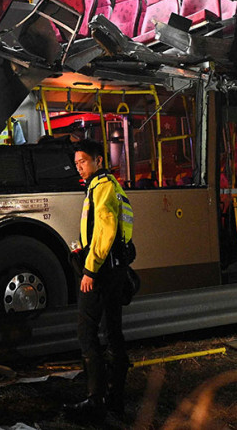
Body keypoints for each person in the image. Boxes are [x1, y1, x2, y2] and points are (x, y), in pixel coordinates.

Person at [65, 139, 134, 419]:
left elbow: (105, 233)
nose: (79, 167)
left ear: (98, 161)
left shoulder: (102, 188)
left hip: (101, 273)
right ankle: (115, 399)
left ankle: (95, 401)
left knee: (87, 332)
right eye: (77, 162)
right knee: (113, 333)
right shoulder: (109, 186)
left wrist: (89, 270)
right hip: (114, 270)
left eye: (83, 161)